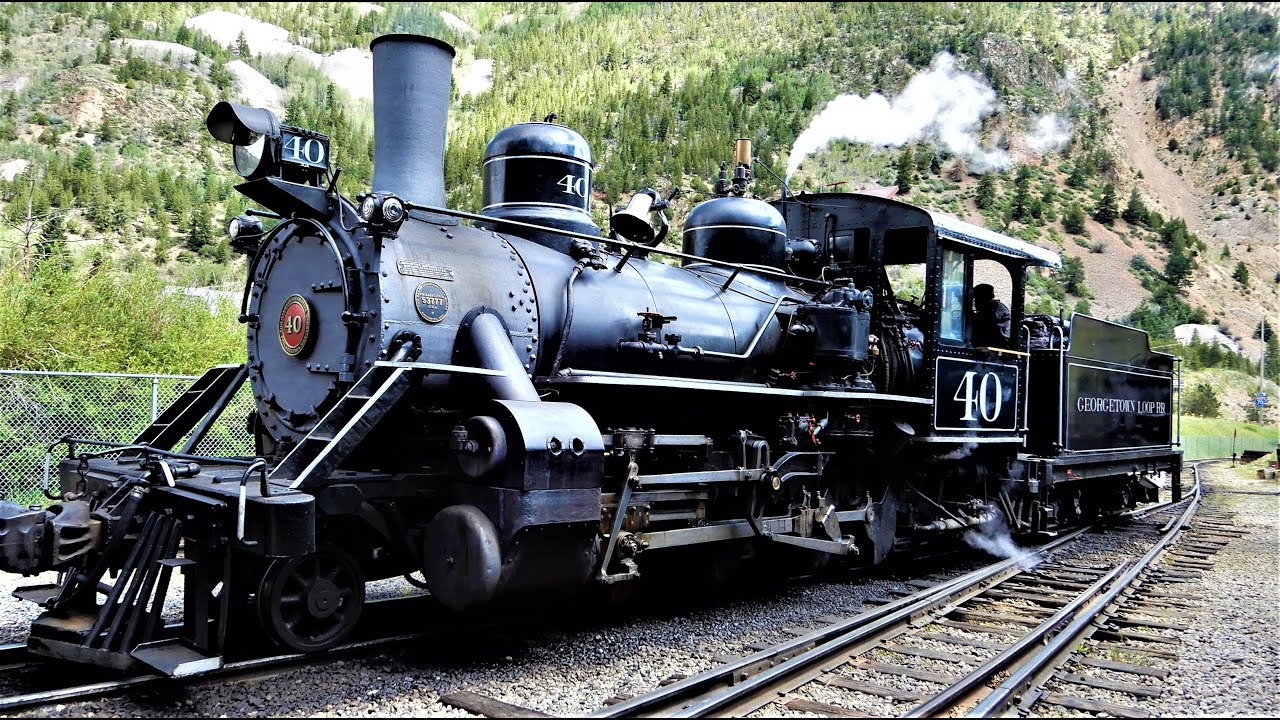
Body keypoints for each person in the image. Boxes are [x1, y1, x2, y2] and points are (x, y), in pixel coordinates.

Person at [972, 283, 1011, 348]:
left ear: (983, 298)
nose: (975, 303)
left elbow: (984, 323)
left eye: (976, 299)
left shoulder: (996, 309)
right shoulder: (989, 308)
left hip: (998, 345)